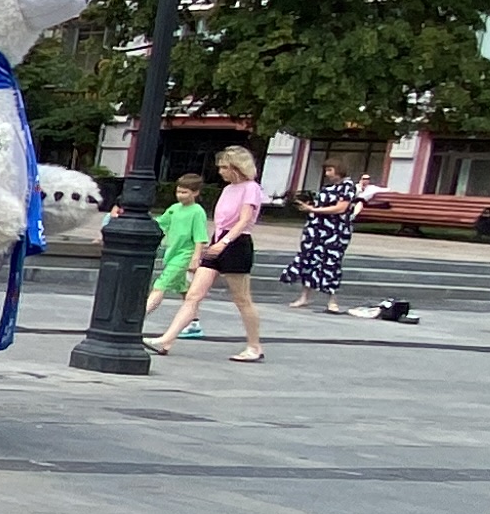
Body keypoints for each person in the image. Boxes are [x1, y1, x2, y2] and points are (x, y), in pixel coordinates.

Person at [154, 143, 266, 361]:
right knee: (194, 294)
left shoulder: (251, 188)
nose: (221, 171)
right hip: (219, 240)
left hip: (236, 243)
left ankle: (254, 345)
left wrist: (223, 243)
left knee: (242, 298)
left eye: (225, 167)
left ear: (236, 167)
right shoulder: (227, 189)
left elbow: (244, 220)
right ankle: (167, 339)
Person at [282, 161, 364, 313]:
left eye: (330, 170)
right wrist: (309, 207)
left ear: (339, 170)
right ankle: (304, 296)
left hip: (335, 231)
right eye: (326, 170)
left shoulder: (347, 187)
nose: (327, 173)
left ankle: (332, 300)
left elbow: (341, 208)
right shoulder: (327, 188)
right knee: (310, 259)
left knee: (331, 262)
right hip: (317, 229)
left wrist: (314, 209)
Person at [143, 173, 210, 324]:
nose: (180, 195)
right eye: (178, 191)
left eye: (184, 192)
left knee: (160, 284)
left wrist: (195, 258)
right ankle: (194, 321)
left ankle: (141, 316)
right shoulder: (174, 209)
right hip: (172, 253)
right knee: (185, 289)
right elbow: (160, 223)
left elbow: (200, 237)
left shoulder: (197, 211)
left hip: (185, 254)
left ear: (195, 193)